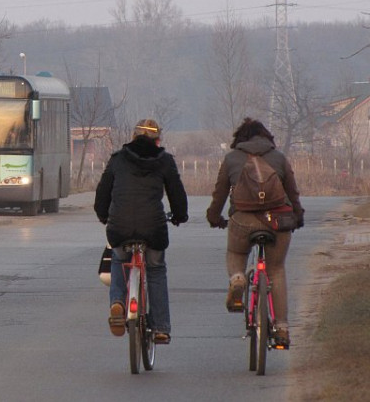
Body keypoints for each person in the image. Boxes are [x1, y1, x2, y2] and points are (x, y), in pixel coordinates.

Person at [205, 117, 305, 348]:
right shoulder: (278, 157)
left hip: (243, 220)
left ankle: (238, 278)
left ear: (240, 139)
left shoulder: (231, 159)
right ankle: (281, 328)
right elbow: (293, 192)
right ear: (266, 137)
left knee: (236, 254)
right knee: (276, 270)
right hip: (278, 222)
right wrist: (297, 217)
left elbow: (219, 194)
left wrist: (214, 218)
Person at [94, 119, 189, 345]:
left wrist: (104, 215)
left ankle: (117, 301)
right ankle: (161, 328)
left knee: (118, 260)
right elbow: (176, 193)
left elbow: (102, 193)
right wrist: (179, 215)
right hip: (153, 227)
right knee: (156, 270)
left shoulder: (117, 160)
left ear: (134, 136)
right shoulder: (164, 160)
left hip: (121, 226)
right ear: (157, 140)